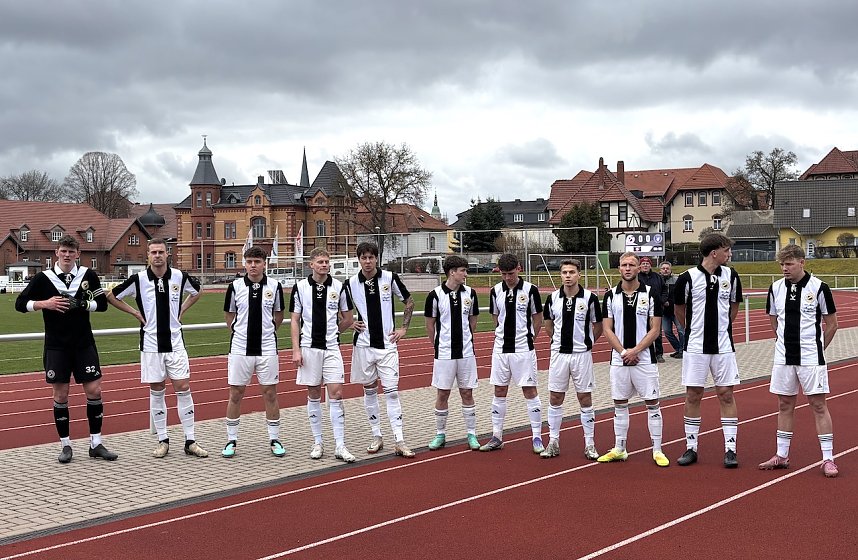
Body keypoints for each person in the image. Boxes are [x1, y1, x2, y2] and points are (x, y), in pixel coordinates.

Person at [15, 235, 117, 463]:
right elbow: (20, 303)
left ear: (78, 254)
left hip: (83, 344)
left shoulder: (88, 275)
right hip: (57, 346)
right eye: (64, 251)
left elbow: (101, 306)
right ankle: (66, 446)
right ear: (56, 253)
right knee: (61, 394)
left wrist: (81, 304)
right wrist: (45, 304)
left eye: (72, 251)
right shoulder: (44, 278)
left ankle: (96, 443)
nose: (67, 255)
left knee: (95, 391)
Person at [107, 238, 208, 459]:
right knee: (157, 389)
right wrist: (134, 313)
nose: (157, 256)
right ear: (148, 256)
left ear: (167, 254)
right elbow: (112, 296)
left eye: (161, 251)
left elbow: (198, 291)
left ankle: (190, 440)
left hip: (175, 342)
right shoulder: (139, 280)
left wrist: (182, 308)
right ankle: (163, 440)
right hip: (151, 344)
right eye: (153, 252)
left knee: (183, 386)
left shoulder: (179, 277)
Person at [760, 244, 839, 477]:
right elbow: (774, 318)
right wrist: (779, 339)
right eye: (782, 264)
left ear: (802, 262)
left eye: (789, 264)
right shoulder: (775, 288)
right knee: (784, 404)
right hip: (784, 357)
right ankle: (782, 455)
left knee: (818, 405)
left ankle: (828, 458)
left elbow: (832, 324)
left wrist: (819, 349)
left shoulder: (819, 288)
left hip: (811, 358)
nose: (785, 268)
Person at [673, 233, 743, 468]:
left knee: (726, 394)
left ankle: (730, 449)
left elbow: (734, 307)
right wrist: (693, 331)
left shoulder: (732, 276)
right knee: (693, 394)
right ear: (714, 252)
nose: (729, 254)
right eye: (727, 250)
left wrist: (723, 329)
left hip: (723, 347)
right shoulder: (687, 278)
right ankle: (691, 447)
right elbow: (679, 311)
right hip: (696, 347)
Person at [344, 242, 416, 458]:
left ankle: (399, 440)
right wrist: (348, 323)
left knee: (392, 393)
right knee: (369, 391)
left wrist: (403, 328)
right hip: (364, 346)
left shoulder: (389, 278)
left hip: (387, 346)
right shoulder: (349, 284)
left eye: (371, 257)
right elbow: (339, 308)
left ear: (377, 258)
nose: (367, 261)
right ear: (359, 259)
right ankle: (377, 436)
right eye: (363, 258)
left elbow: (409, 301)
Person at [597, 253, 668, 467]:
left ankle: (657, 450)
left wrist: (635, 351)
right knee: (619, 403)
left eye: (632, 265)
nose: (627, 268)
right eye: (624, 265)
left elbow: (655, 329)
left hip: (644, 359)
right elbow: (607, 329)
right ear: (619, 268)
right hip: (619, 360)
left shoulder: (651, 293)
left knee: (652, 403)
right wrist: (623, 352)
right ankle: (620, 448)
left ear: (639, 268)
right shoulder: (610, 295)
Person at [291, 247, 357, 463]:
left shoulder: (339, 287)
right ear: (311, 264)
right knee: (313, 394)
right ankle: (318, 442)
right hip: (309, 348)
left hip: (331, 348)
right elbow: (295, 320)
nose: (325, 265)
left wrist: (335, 331)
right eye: (320, 262)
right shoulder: (300, 287)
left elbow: (348, 317)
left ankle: (340, 445)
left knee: (337, 394)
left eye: (327, 262)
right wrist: (296, 349)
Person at [221, 246, 285, 458]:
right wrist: (240, 332)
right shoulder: (235, 286)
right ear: (244, 263)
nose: (253, 265)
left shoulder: (275, 286)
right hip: (240, 347)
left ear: (264, 263)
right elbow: (230, 316)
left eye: (257, 261)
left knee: (270, 393)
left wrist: (266, 333)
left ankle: (274, 439)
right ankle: (231, 440)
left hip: (267, 347)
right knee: (236, 393)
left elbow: (278, 316)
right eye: (249, 261)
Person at [479, 253, 545, 453]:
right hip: (500, 349)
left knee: (529, 390)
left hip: (523, 348)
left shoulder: (531, 290)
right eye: (504, 274)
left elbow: (538, 318)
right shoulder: (495, 290)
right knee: (499, 390)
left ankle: (537, 437)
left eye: (511, 273)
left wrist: (530, 338)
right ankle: (497, 436)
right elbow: (496, 318)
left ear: (519, 268)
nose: (508, 277)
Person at [541, 259, 603, 459]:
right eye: (564, 272)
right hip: (559, 355)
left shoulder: (590, 298)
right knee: (555, 397)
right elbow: (548, 326)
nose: (568, 276)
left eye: (572, 272)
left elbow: (598, 326)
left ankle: (590, 444)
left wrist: (586, 342)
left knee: (585, 398)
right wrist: (558, 341)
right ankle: (553, 441)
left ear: (579, 275)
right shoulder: (552, 299)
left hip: (581, 355)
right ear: (560, 275)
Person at [424, 255, 481, 451]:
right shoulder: (435, 295)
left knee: (467, 392)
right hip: (444, 353)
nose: (465, 274)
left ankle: (472, 434)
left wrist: (467, 339)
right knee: (443, 393)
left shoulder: (471, 294)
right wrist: (437, 346)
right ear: (451, 272)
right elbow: (430, 325)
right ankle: (440, 434)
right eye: (462, 270)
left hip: (466, 352)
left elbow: (473, 320)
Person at [638, 256, 667, 362]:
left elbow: (664, 289)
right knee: (643, 331)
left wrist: (662, 300)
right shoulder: (636, 277)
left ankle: (659, 354)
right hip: (641, 309)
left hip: (656, 309)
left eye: (647, 264)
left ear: (650, 265)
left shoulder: (657, 277)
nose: (645, 265)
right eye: (643, 264)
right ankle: (643, 352)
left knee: (657, 332)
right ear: (640, 266)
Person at [660, 260, 685, 358]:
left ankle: (683, 350)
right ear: (660, 270)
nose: (665, 270)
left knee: (681, 330)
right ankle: (679, 349)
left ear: (670, 270)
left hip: (675, 310)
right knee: (667, 332)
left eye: (667, 268)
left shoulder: (676, 279)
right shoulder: (658, 280)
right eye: (663, 268)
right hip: (664, 312)